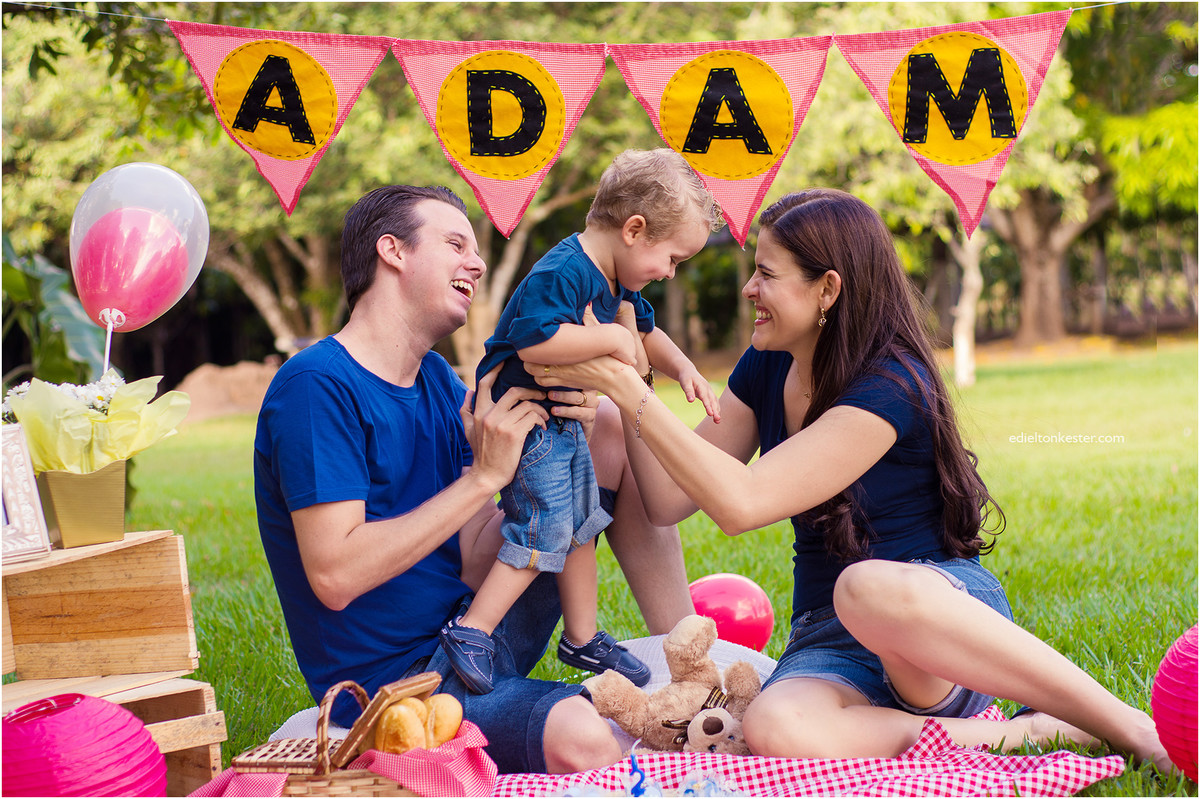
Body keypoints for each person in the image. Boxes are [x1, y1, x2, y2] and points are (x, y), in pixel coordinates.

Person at [528, 188, 1171, 770]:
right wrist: (632, 381)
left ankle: (1130, 728)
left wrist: (624, 388)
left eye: (767, 274)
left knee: (864, 587)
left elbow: (741, 503)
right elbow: (667, 500)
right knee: (775, 726)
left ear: (827, 289)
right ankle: (1017, 735)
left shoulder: (891, 382)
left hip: (930, 621)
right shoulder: (766, 365)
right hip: (829, 639)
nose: (749, 288)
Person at [253, 184, 693, 775]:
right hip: (401, 687)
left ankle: (687, 659)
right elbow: (336, 576)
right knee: (584, 739)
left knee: (604, 428)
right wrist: (483, 478)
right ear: (393, 251)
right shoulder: (316, 386)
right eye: (456, 244)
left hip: (477, 630)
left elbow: (469, 553)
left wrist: (558, 453)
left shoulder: (436, 378)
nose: (478, 263)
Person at [438, 149, 724, 695]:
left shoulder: (619, 281)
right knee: (545, 524)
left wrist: (683, 366)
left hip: (561, 420)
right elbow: (535, 340)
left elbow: (646, 335)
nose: (670, 272)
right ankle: (473, 629)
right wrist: (613, 338)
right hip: (524, 420)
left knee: (583, 522)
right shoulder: (564, 271)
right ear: (633, 230)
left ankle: (582, 636)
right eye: (672, 258)